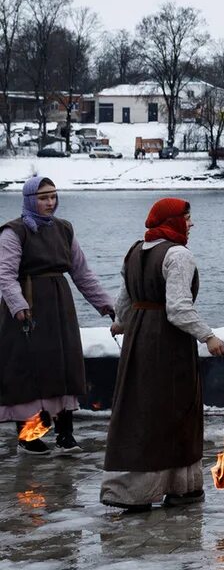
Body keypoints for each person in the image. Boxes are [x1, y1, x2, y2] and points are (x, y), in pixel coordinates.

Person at [101, 198, 224, 512]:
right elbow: (178, 309)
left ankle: (132, 489)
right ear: (173, 222)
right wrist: (209, 336)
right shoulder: (178, 255)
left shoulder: (134, 252)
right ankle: (180, 488)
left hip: (138, 343)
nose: (191, 223)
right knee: (175, 412)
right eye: (187, 217)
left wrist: (123, 324)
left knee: (140, 411)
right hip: (169, 344)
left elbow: (125, 304)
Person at [0, 176, 114, 455]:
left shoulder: (64, 229)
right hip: (27, 309)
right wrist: (18, 306)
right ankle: (28, 438)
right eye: (43, 198)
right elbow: (5, 275)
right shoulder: (13, 232)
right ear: (29, 200)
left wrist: (106, 304)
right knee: (28, 371)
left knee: (63, 366)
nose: (50, 203)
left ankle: (65, 435)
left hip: (59, 307)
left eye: (53, 197)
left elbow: (81, 272)